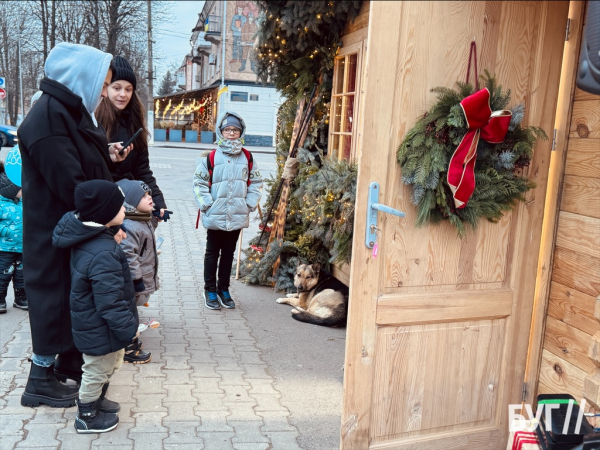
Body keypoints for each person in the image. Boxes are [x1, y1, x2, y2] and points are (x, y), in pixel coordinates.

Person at [18, 42, 131, 408]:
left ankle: (69, 363)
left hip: (71, 227)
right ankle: (39, 379)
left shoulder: (67, 111)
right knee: (52, 299)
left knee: (70, 298)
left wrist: (106, 156)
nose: (104, 90)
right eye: (103, 82)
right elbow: (71, 185)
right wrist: (112, 214)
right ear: (81, 77)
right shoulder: (48, 117)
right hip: (55, 230)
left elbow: (80, 166)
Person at [52, 180, 138, 434]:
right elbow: (109, 300)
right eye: (121, 207)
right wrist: (127, 329)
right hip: (100, 325)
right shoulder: (103, 252)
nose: (125, 210)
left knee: (108, 365)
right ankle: (86, 416)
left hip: (97, 323)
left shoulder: (93, 238)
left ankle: (97, 401)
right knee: (96, 370)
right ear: (105, 214)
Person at [193, 111, 263, 310]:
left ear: (241, 133)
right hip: (216, 214)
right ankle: (210, 289)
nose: (231, 133)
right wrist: (207, 204)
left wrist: (249, 204)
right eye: (227, 130)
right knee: (212, 252)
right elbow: (199, 182)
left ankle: (224, 288)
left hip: (237, 213)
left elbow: (256, 182)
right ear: (221, 132)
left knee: (229, 253)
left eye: (235, 130)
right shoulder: (211, 157)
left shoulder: (247, 157)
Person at [96, 56, 168, 220]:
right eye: (117, 87)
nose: (123, 94)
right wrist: (109, 156)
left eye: (128, 89)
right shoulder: (92, 122)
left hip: (129, 205)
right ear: (105, 88)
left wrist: (158, 202)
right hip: (102, 205)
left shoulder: (134, 125)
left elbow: (143, 171)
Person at [116, 178, 160, 364]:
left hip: (142, 274)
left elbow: (149, 226)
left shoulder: (141, 219)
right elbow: (129, 255)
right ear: (131, 204)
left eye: (149, 193)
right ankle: (128, 347)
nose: (149, 197)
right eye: (143, 196)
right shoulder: (131, 226)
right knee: (128, 312)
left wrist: (157, 216)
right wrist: (136, 279)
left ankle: (129, 342)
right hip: (135, 278)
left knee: (131, 310)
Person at [0, 168, 27, 314]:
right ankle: (0, 298)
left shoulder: (22, 203)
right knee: (3, 273)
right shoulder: (1, 204)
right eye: (20, 187)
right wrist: (6, 231)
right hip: (4, 248)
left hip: (22, 247)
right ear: (10, 190)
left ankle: (21, 298)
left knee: (21, 274)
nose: (24, 189)